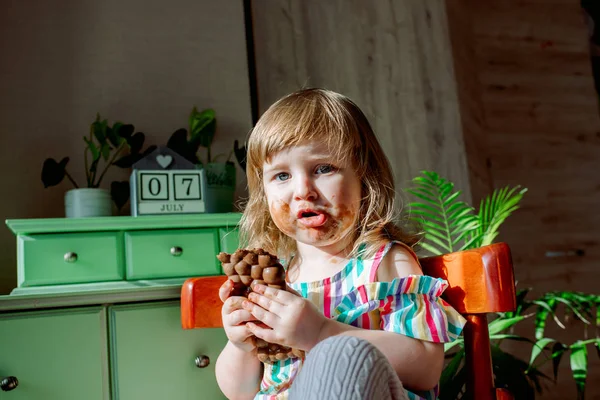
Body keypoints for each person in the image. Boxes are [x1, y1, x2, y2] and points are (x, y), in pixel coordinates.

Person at [214, 88, 466, 400]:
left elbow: (426, 368)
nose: (302, 190)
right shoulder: (277, 281)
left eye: (323, 169)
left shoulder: (386, 262)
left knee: (339, 358)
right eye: (281, 176)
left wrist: (320, 333)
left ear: (364, 174)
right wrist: (239, 344)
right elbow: (240, 393)